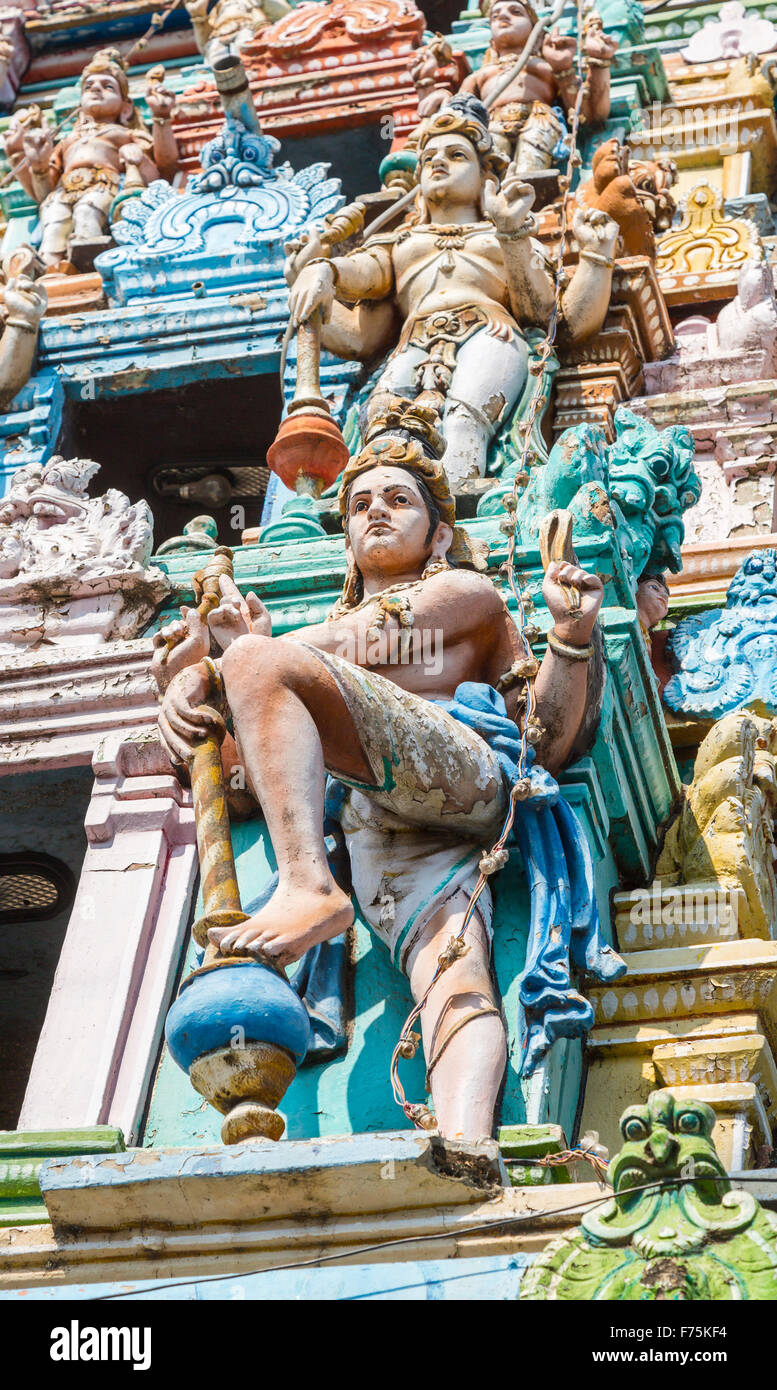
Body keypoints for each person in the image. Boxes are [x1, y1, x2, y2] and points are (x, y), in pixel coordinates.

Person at [154, 400, 617, 1141]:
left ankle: (308, 884)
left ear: (438, 532)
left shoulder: (460, 596)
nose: (375, 512)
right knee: (451, 974)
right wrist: (193, 702)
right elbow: (247, 783)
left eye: (399, 500)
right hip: (371, 815)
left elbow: (543, 742)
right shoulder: (312, 647)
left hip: (453, 770)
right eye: (360, 504)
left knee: (258, 661)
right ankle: (468, 1146)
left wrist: (570, 636)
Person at [286, 95, 617, 490]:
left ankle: (460, 512)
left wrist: (518, 234)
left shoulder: (503, 235)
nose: (438, 163)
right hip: (415, 338)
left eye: (457, 155)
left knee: (464, 419)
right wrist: (321, 271)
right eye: (428, 159)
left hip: (490, 333)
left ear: (485, 175)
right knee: (381, 423)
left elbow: (545, 315)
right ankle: (384, 518)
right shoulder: (403, 241)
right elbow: (361, 290)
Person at [4, 49, 179, 270]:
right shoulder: (68, 140)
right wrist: (36, 164)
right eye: (89, 86)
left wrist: (160, 119)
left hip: (102, 185)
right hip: (62, 190)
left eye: (108, 86)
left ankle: (89, 260)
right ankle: (49, 266)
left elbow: (165, 169)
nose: (96, 88)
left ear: (126, 109)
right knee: (53, 222)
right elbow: (43, 193)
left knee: (88, 213)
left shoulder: (123, 134)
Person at [458, 1, 617, 171]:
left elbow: (587, 115)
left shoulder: (544, 66)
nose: (503, 16)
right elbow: (457, 110)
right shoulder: (480, 75)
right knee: (490, 162)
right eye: (495, 16)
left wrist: (566, 68)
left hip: (538, 120)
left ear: (536, 31)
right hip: (492, 124)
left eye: (516, 12)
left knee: (531, 159)